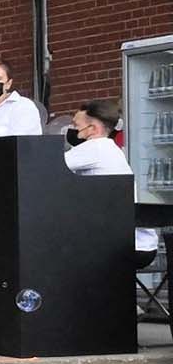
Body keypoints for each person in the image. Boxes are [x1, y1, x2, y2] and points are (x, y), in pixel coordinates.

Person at [64, 99, 160, 264]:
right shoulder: (111, 148)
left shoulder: (95, 147)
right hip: (141, 243)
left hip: (122, 243)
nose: (70, 130)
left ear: (93, 129)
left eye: (75, 125)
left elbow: (49, 166)